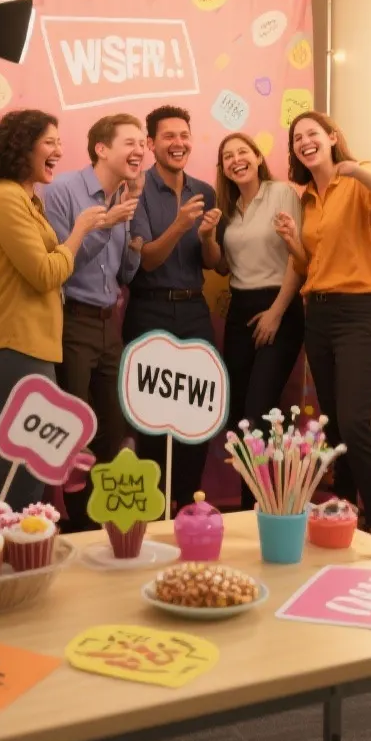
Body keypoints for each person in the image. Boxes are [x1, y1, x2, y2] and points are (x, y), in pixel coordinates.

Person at [0, 109, 114, 510]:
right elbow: (45, 273)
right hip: (11, 347)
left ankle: (9, 546)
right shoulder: (5, 200)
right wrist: (81, 229)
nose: (59, 150)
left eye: (58, 142)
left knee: (32, 460)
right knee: (22, 461)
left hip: (33, 348)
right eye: (49, 142)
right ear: (22, 147)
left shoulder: (27, 199)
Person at [290, 111, 371, 539]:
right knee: (333, 420)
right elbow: (312, 264)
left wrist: (354, 169)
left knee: (356, 420)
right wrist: (290, 243)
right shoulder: (307, 200)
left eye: (312, 133)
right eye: (297, 138)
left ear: (332, 137)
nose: (304, 142)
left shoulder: (358, 177)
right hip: (317, 313)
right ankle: (345, 506)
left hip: (359, 311)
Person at [42, 113, 144, 530]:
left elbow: (125, 275)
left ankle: (111, 524)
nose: (140, 150)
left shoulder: (123, 196)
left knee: (114, 428)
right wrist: (106, 225)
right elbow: (62, 265)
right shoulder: (64, 190)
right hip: (73, 322)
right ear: (102, 148)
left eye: (142, 144)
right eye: (131, 142)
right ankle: (79, 525)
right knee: (75, 428)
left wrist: (131, 235)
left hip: (110, 324)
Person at [127, 105, 221, 509]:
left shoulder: (205, 190)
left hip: (195, 309)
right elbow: (146, 259)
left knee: (197, 412)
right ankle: (153, 507)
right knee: (151, 415)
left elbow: (211, 262)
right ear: (151, 144)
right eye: (168, 136)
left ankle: (186, 503)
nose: (177, 143)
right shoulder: (137, 188)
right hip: (149, 309)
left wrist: (208, 237)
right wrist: (181, 225)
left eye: (184, 135)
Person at [213, 132, 307, 468]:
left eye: (243, 152)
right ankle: (247, 504)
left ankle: (266, 504)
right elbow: (224, 265)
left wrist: (276, 313)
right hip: (240, 309)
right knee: (238, 413)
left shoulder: (281, 193)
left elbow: (300, 258)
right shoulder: (228, 210)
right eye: (228, 156)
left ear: (257, 157)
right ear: (223, 169)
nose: (236, 160)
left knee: (261, 409)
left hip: (279, 305)